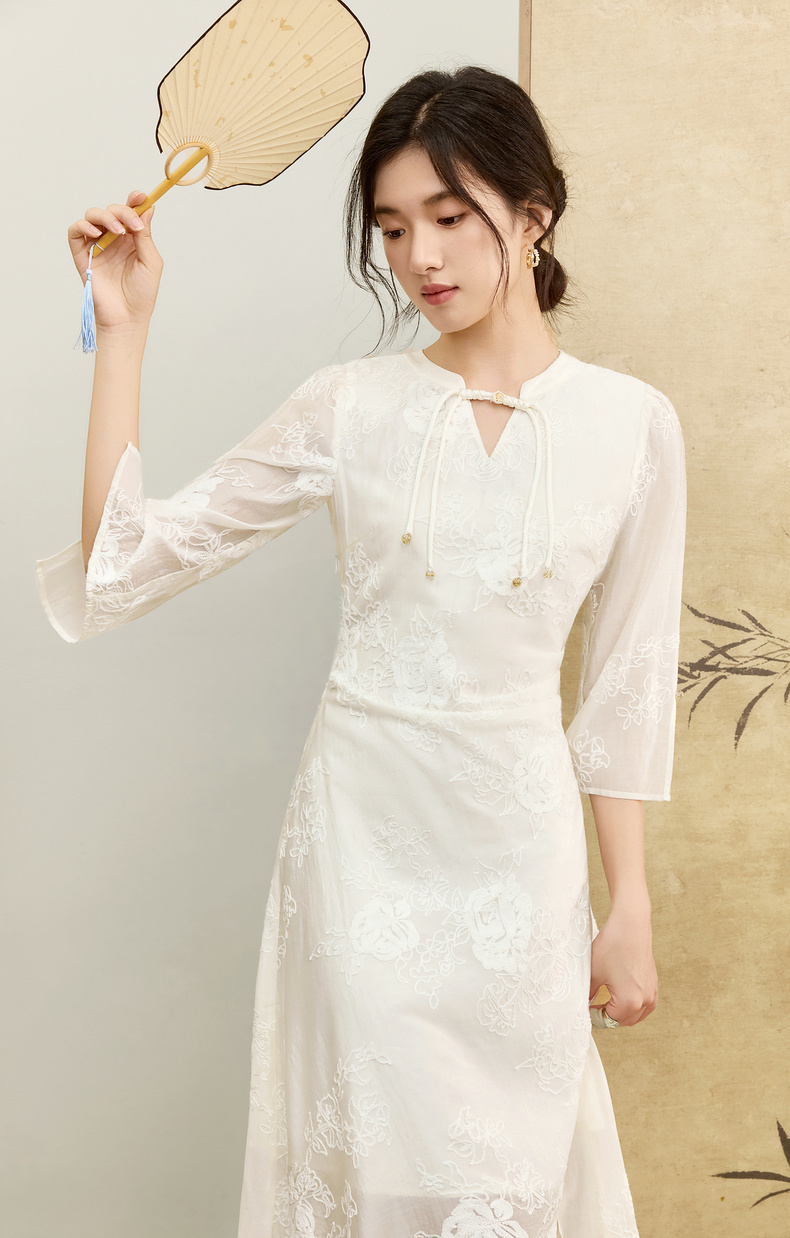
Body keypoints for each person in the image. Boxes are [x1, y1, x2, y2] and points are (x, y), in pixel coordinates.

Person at [38, 64, 686, 1238]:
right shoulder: (349, 406)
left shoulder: (631, 425)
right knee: (377, 1184)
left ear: (532, 214)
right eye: (390, 228)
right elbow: (122, 567)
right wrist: (122, 334)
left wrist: (627, 899)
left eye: (449, 217)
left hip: (521, 865)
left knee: (514, 1189)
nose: (418, 257)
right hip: (362, 857)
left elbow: (625, 686)